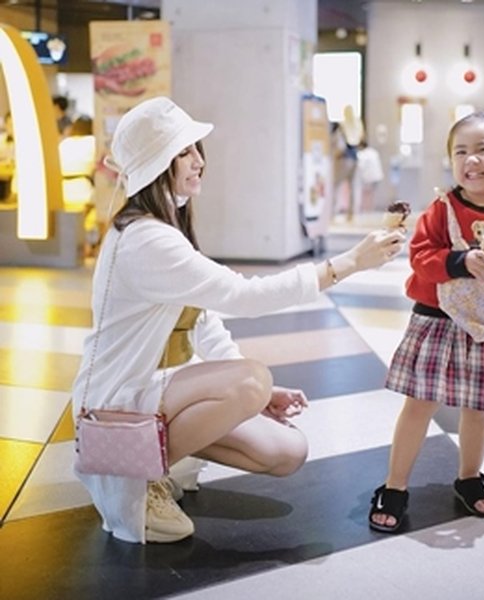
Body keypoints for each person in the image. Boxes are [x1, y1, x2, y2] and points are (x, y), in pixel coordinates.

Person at [70, 96, 405, 544]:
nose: (198, 161)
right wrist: (347, 263)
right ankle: (137, 477)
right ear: (157, 165)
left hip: (152, 392)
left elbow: (202, 320)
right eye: (184, 152)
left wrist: (255, 399)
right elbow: (243, 295)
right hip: (114, 405)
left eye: (195, 149)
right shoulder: (145, 239)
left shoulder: (162, 227)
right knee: (251, 379)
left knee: (288, 451)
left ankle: (157, 461)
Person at [368, 112, 484, 532]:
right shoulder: (441, 208)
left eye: (483, 149)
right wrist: (461, 260)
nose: (471, 159)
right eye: (460, 151)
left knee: (478, 409)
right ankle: (394, 485)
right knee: (419, 405)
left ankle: (469, 477)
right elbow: (420, 258)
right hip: (435, 319)